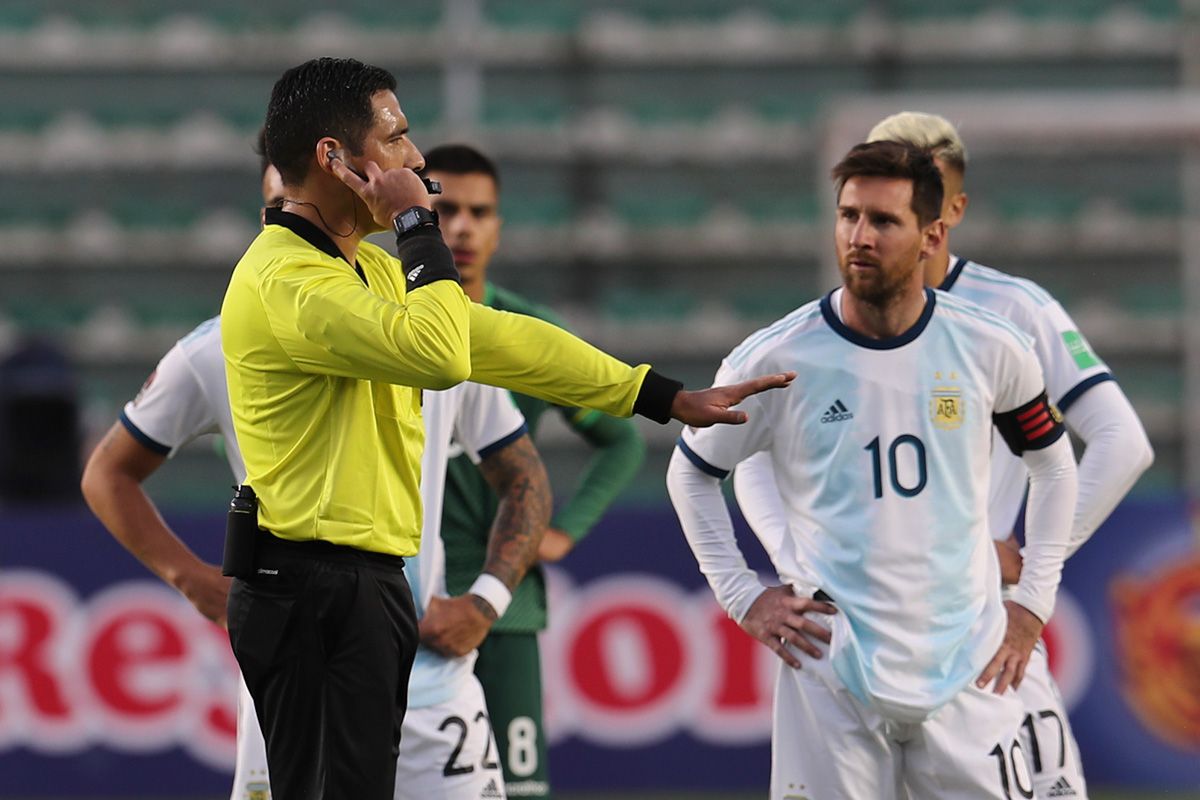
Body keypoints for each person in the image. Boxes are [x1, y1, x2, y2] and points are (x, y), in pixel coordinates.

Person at [222, 57, 791, 800]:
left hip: (356, 581)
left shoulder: (361, 272)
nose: (415, 159)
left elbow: (507, 341)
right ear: (334, 157)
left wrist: (655, 394)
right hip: (313, 583)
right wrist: (415, 221)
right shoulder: (285, 281)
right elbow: (440, 352)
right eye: (395, 138)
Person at [82, 150, 548, 800]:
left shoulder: (436, 336)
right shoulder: (217, 347)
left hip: (430, 678)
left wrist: (487, 600)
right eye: (280, 211)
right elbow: (109, 474)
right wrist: (194, 582)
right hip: (302, 668)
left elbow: (525, 476)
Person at [733, 111, 1153, 799]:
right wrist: (788, 560)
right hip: (862, 624)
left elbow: (1119, 441)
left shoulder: (1011, 313)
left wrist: (1022, 556)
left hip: (980, 625)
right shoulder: (826, 330)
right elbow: (746, 452)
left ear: (949, 206)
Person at [667, 140, 1079, 798]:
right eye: (848, 215)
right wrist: (741, 595)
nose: (860, 236)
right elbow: (691, 473)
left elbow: (1055, 467)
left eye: (883, 221)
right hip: (833, 668)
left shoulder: (992, 347)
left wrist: (1032, 604)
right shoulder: (773, 360)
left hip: (968, 662)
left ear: (931, 234)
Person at [417, 143, 645, 798]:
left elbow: (620, 441)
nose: (461, 227)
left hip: (502, 607)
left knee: (517, 789)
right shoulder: (381, 322)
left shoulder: (527, 332)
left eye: (479, 212)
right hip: (405, 602)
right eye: (444, 210)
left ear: (498, 227)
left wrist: (565, 530)